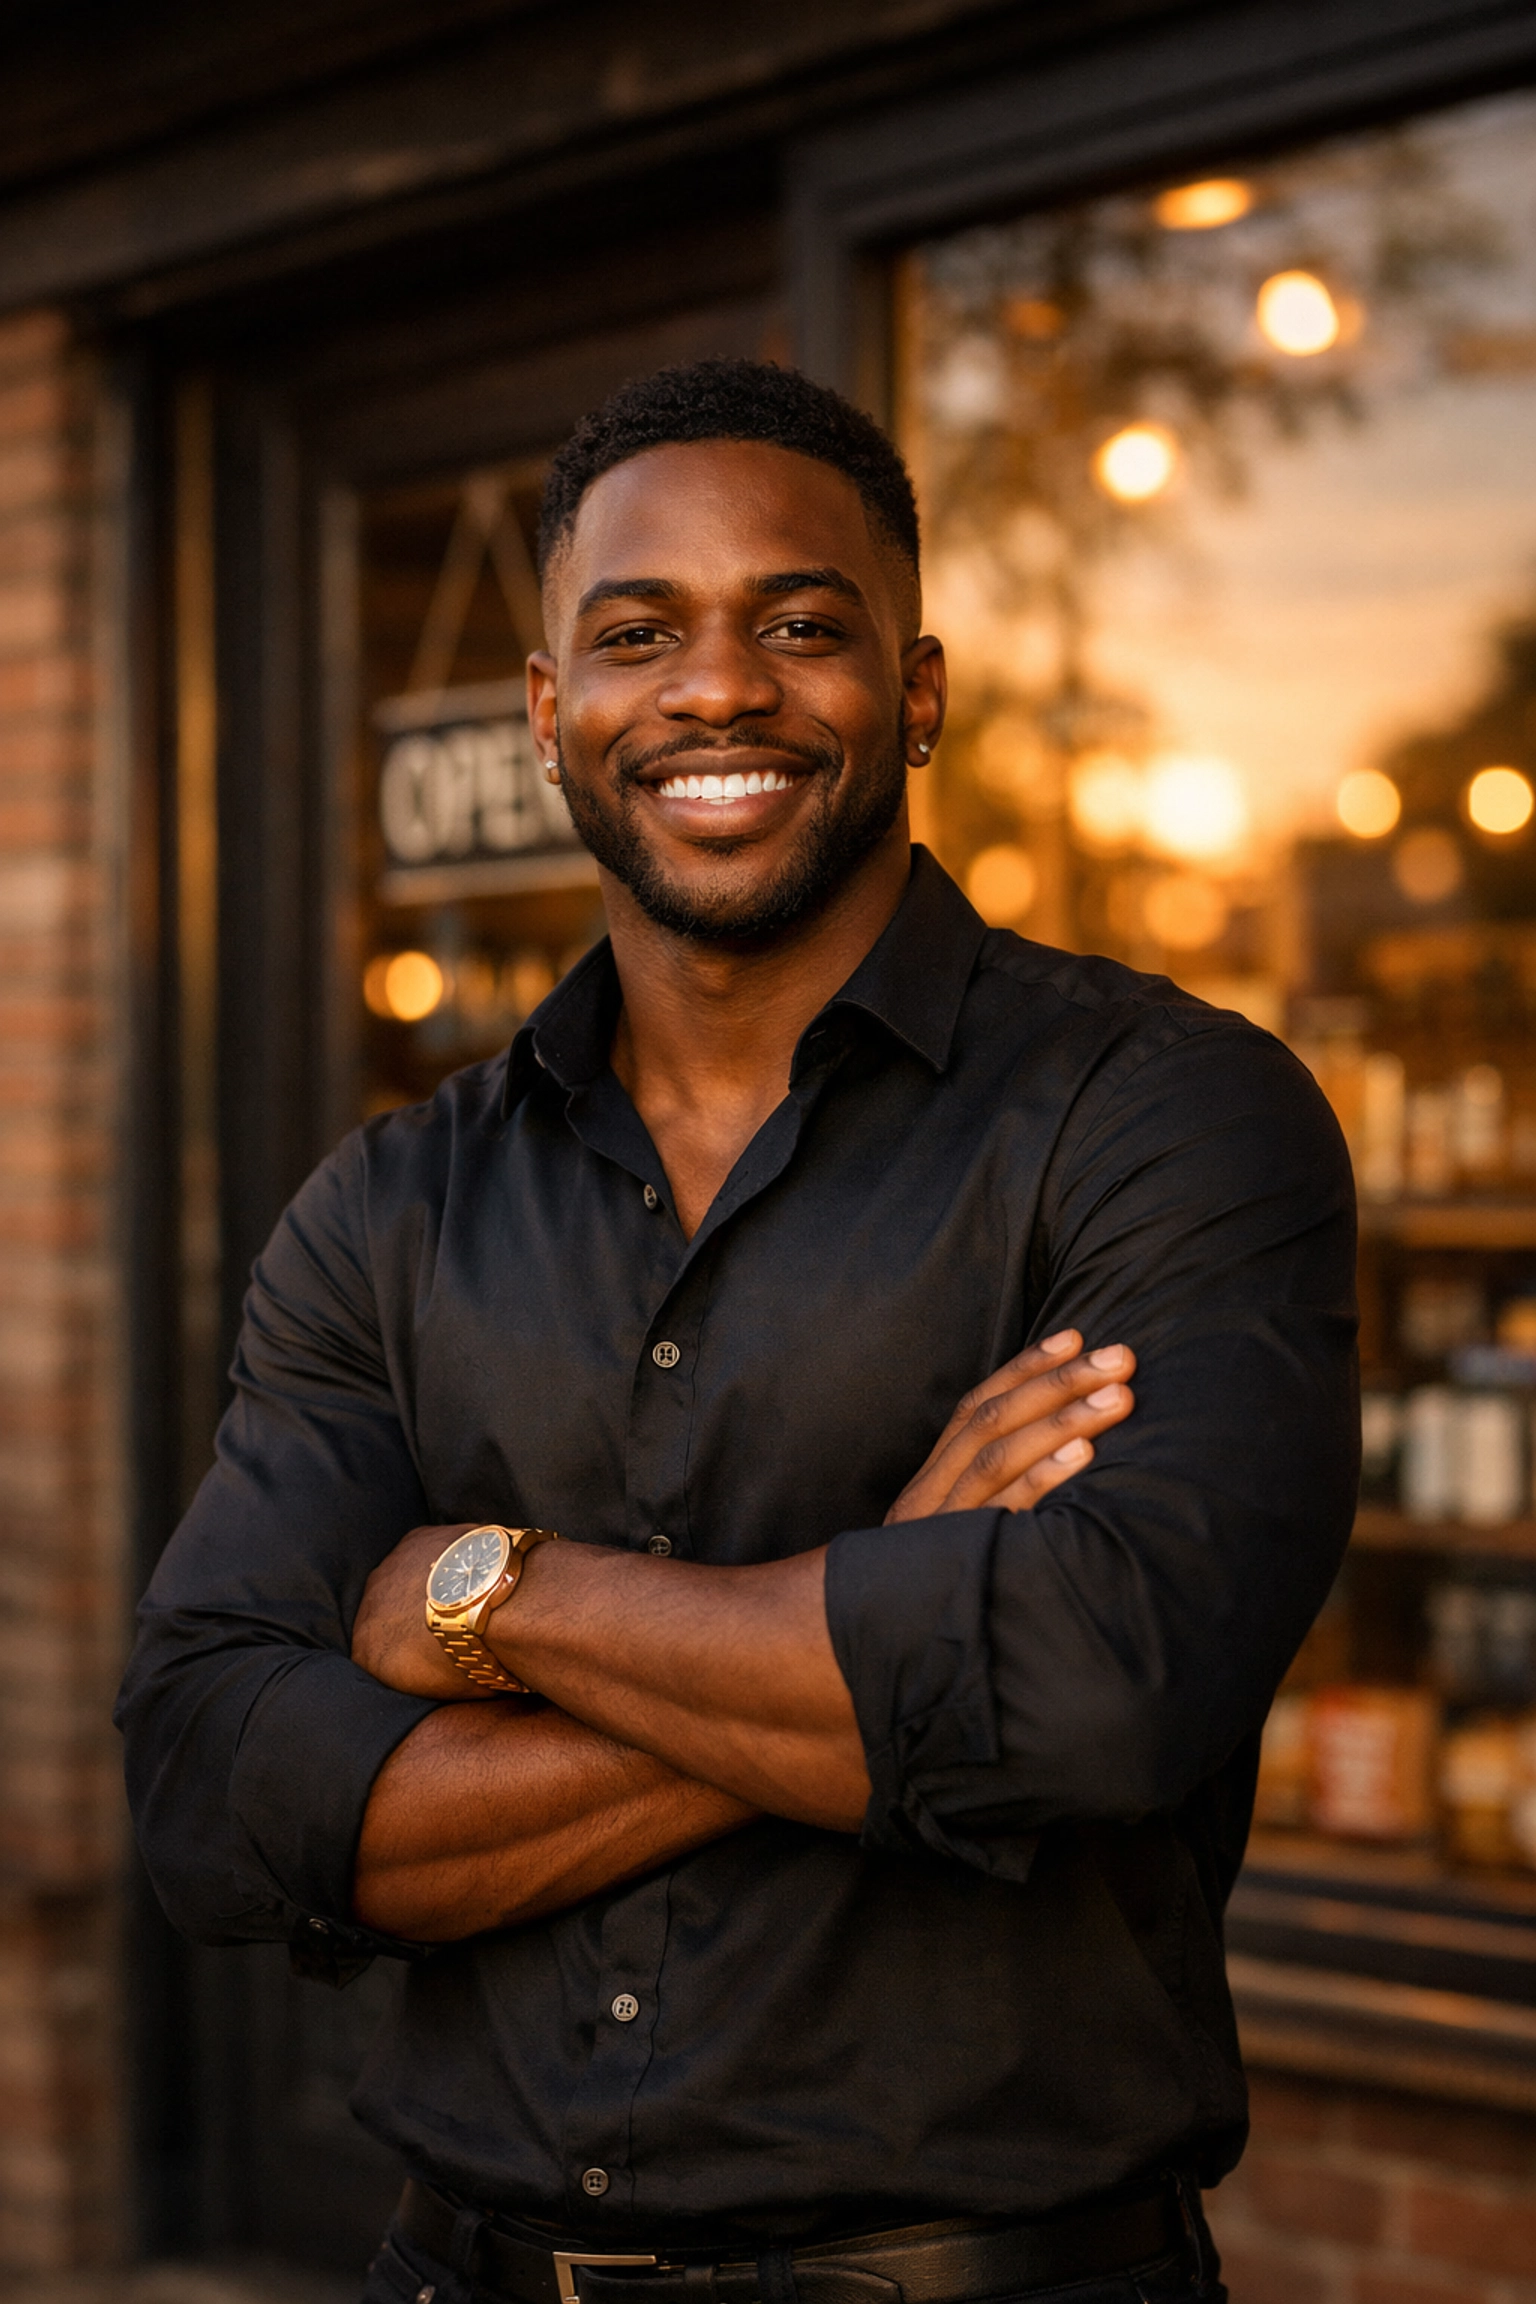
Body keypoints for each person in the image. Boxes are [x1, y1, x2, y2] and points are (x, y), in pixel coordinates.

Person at [117, 359, 1358, 2304]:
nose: (718, 690)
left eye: (801, 623)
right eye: (638, 634)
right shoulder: (393, 1204)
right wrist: (880, 1608)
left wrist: (487, 1598)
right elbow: (215, 1789)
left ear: (919, 692)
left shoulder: (1159, 1116)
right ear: (551, 716)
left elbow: (1099, 1687)